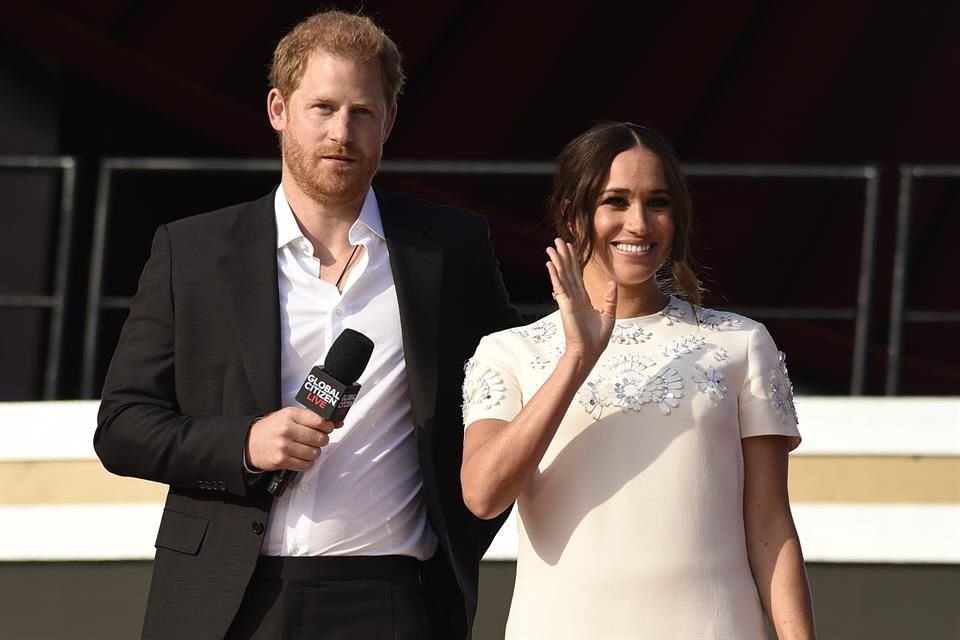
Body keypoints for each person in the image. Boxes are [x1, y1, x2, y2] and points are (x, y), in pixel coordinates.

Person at [94, 10, 520, 640]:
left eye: (362, 112)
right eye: (321, 107)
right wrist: (245, 444)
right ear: (278, 109)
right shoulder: (193, 251)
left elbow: (515, 379)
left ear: (389, 121)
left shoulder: (451, 249)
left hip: (398, 598)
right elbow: (122, 425)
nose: (341, 132)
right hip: (231, 601)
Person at [461, 122, 816, 639]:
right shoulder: (510, 351)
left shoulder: (741, 344)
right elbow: (483, 495)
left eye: (658, 202)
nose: (639, 223)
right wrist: (577, 359)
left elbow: (769, 526)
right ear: (571, 214)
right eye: (615, 201)